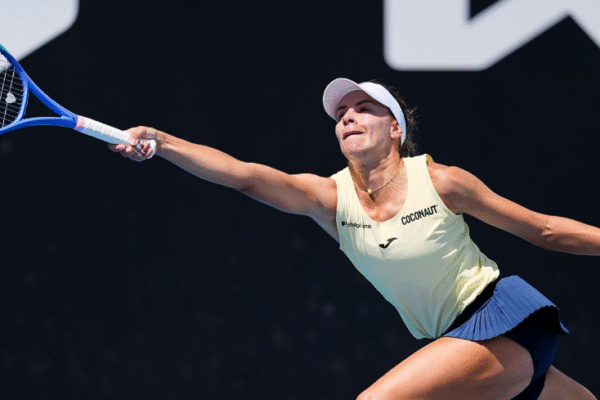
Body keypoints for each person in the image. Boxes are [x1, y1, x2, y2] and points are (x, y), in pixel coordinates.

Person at [110, 78, 597, 400]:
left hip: (502, 324)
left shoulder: (443, 181)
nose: (348, 116)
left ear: (394, 128)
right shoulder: (330, 199)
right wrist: (164, 142)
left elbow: (544, 229)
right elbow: (243, 175)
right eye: (341, 113)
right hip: (459, 346)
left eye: (364, 109)